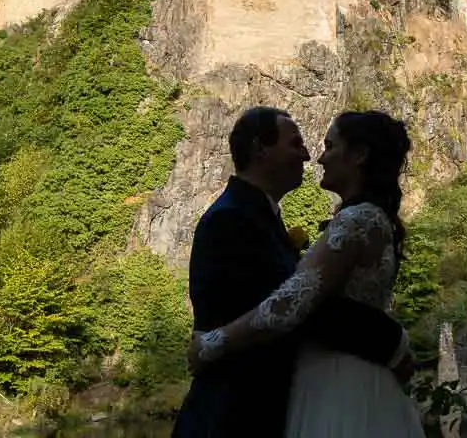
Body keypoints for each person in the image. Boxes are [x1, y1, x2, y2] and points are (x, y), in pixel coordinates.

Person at [172, 107, 414, 437]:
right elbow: (308, 310)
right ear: (260, 149)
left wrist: (212, 343)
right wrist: (391, 340)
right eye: (296, 144)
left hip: (310, 392)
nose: (311, 156)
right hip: (233, 413)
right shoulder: (231, 219)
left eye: (329, 146)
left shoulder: (267, 218)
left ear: (359, 156)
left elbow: (300, 304)